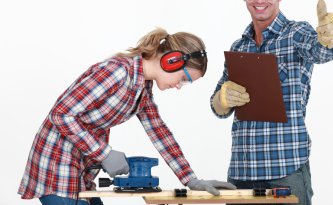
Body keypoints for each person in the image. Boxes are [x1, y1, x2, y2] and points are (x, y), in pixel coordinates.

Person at [18, 27, 236, 205]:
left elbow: (159, 132)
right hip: (57, 164)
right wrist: (103, 153)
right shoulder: (118, 72)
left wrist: (190, 179)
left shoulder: (143, 88)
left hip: (82, 169)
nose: (179, 86)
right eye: (184, 79)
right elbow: (61, 115)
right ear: (171, 60)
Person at [210, 0, 333, 205]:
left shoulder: (296, 33)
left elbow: (321, 52)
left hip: (285, 171)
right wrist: (222, 99)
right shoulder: (239, 47)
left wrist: (328, 39)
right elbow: (218, 107)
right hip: (241, 173)